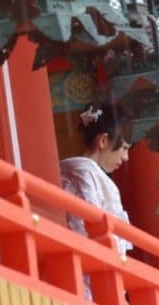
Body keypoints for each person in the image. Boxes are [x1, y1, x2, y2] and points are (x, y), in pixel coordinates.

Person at [60, 103, 133, 256]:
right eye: (124, 148)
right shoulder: (88, 175)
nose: (126, 157)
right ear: (104, 141)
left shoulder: (68, 171)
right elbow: (88, 228)